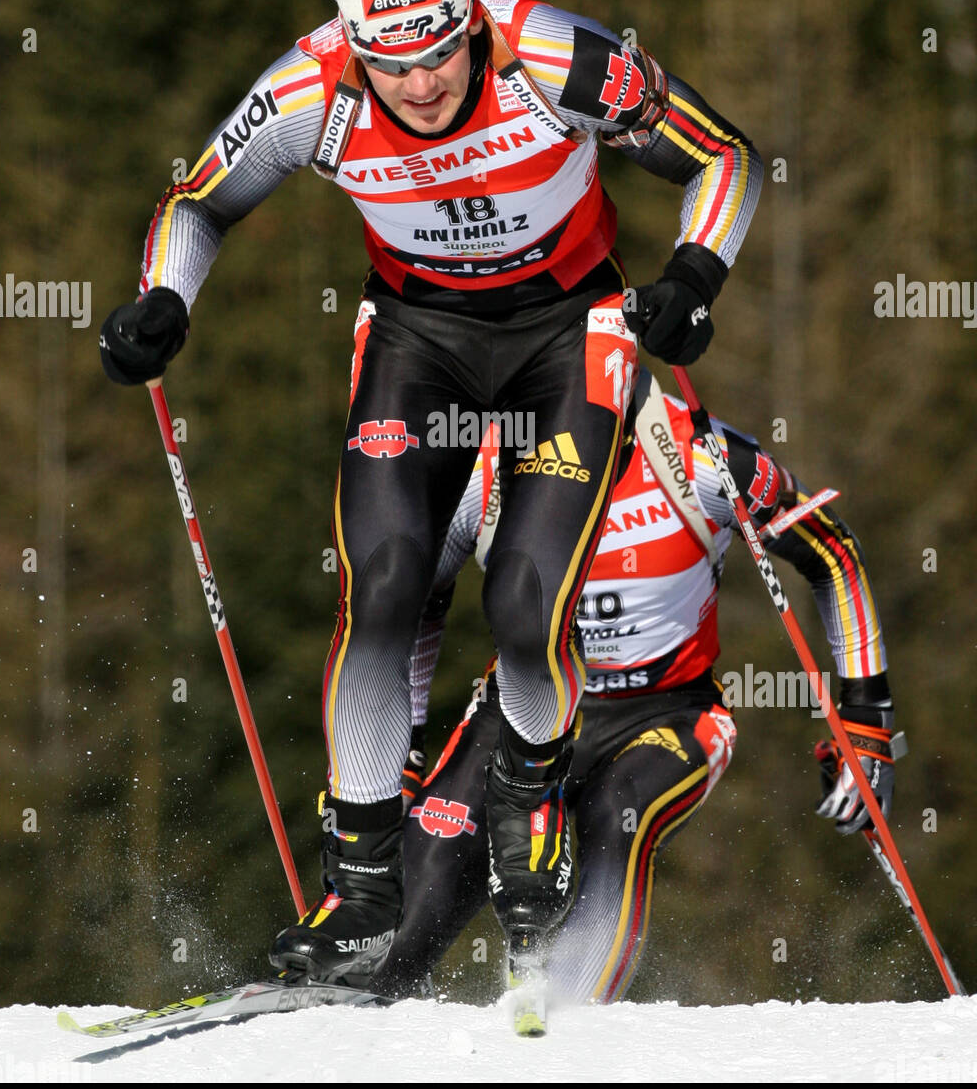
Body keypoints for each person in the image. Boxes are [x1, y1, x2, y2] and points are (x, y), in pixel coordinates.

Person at [98, 0, 762, 986]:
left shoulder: (553, 56)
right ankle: (361, 881)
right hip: (419, 335)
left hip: (567, 331)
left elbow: (722, 156)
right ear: (353, 43)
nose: (417, 86)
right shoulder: (312, 88)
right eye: (389, 64)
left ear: (471, 23)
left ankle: (525, 803)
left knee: (522, 600)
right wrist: (162, 301)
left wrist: (690, 279)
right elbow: (196, 204)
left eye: (439, 53)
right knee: (388, 581)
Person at [379, 377, 894, 1002]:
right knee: (435, 852)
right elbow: (417, 603)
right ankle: (359, 1008)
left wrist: (864, 721)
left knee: (617, 812)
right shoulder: (488, 462)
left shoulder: (703, 458)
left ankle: (568, 1012)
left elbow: (832, 552)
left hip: (670, 711)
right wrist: (398, 753)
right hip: (530, 699)